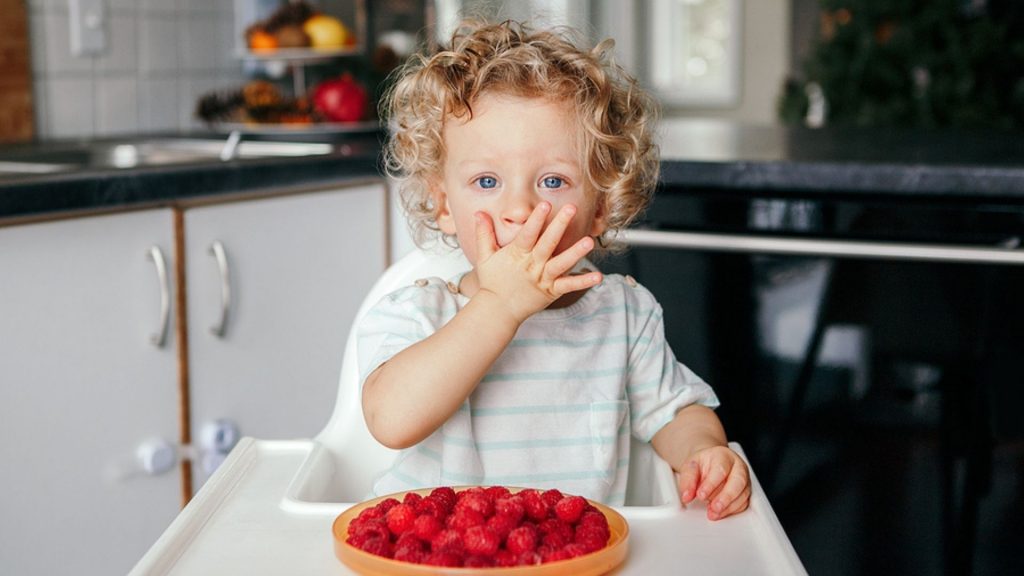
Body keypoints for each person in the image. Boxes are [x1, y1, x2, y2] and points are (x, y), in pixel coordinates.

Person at [357, 19, 750, 520]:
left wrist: (704, 452)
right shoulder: (417, 312)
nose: (519, 207)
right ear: (444, 206)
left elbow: (675, 412)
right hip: (443, 557)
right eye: (486, 180)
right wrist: (498, 305)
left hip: (578, 555)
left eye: (552, 180)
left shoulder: (624, 315)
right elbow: (391, 420)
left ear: (602, 206)